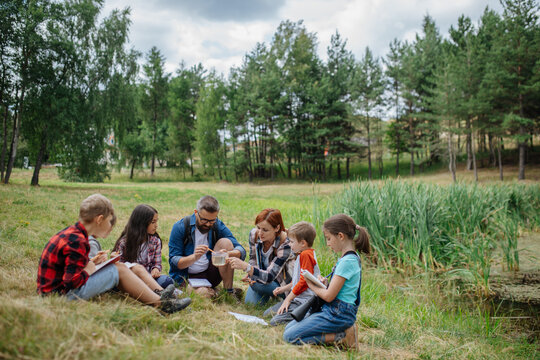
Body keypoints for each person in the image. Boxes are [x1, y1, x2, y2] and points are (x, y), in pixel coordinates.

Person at [37, 194, 191, 314]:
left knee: (118, 267)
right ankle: (162, 303)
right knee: (118, 269)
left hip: (56, 291)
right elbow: (72, 282)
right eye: (109, 221)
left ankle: (161, 298)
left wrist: (94, 263)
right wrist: (89, 270)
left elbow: (70, 267)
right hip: (59, 296)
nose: (111, 225)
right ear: (99, 219)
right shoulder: (78, 241)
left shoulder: (73, 233)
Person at [282, 214, 370, 349]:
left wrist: (312, 285)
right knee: (289, 327)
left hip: (338, 314)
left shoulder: (348, 262)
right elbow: (340, 289)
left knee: (290, 337)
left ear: (340, 236)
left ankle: (343, 336)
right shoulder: (348, 257)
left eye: (329, 239)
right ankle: (340, 332)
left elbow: (329, 296)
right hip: (333, 310)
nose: (328, 243)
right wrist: (325, 283)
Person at [168, 195, 246, 298]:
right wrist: (194, 257)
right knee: (202, 294)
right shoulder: (180, 227)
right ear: (196, 213)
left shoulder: (217, 225)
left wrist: (229, 253)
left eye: (212, 220)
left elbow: (240, 249)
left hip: (210, 273)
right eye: (204, 220)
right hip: (187, 277)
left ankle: (228, 292)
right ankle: (215, 293)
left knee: (226, 243)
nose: (208, 224)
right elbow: (174, 261)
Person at [229, 208, 295, 305]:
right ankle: (270, 295)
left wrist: (247, 268)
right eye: (258, 227)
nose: (260, 233)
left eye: (265, 230)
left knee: (256, 285)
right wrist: (251, 271)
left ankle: (281, 298)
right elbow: (253, 259)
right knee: (251, 304)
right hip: (262, 277)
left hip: (283, 285)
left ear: (277, 228)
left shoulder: (286, 244)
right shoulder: (254, 234)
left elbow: (269, 276)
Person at [264, 221, 320, 325]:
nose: (289, 244)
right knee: (267, 314)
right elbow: (299, 280)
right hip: (297, 299)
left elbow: (304, 283)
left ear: (303, 243)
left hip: (304, 302)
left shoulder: (306, 256)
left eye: (292, 241)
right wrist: (284, 289)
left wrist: (288, 300)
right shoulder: (301, 254)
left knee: (274, 322)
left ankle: (307, 316)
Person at [113, 204, 175, 289]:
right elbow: (120, 267)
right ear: (141, 223)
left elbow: (157, 263)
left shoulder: (155, 241)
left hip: (149, 278)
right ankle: (153, 290)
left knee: (167, 281)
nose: (156, 225)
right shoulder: (124, 243)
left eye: (156, 221)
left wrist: (155, 269)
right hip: (131, 279)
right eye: (153, 222)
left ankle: (150, 289)